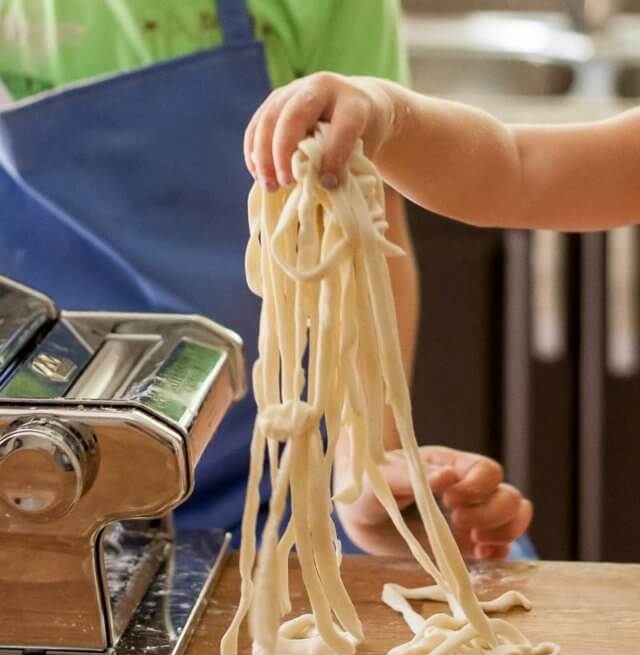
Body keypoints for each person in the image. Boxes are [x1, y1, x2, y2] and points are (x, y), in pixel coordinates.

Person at [0, 1, 531, 560]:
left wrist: (364, 462)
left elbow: (367, 241)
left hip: (294, 458)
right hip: (44, 470)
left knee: (476, 583)